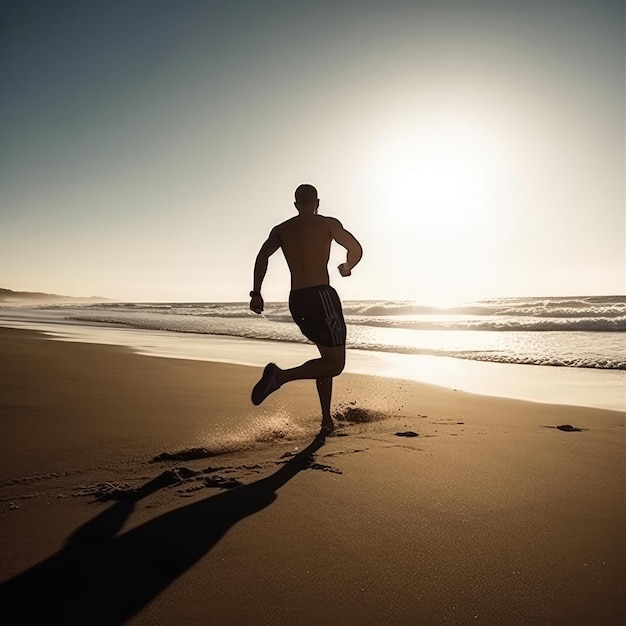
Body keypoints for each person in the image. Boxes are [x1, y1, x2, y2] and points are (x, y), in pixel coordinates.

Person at [249, 184, 363, 435]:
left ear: (295, 204)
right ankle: (280, 377)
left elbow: (262, 257)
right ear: (317, 202)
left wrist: (256, 292)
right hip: (321, 296)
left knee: (325, 359)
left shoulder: (281, 229)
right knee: (335, 365)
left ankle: (326, 419)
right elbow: (355, 248)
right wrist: (347, 266)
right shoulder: (328, 224)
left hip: (297, 300)